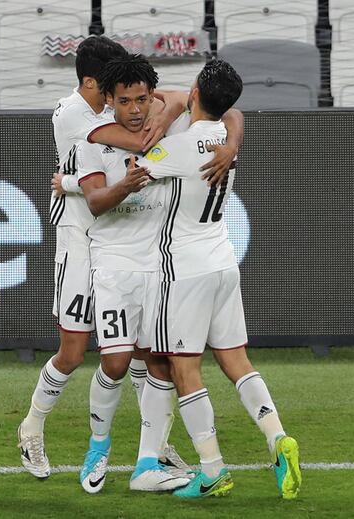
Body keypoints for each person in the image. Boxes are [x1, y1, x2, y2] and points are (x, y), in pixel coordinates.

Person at [17, 36, 204, 480]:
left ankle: (154, 446)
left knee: (139, 349)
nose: (128, 99)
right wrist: (159, 131)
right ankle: (31, 428)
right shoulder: (73, 115)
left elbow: (180, 97)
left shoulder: (118, 103)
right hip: (80, 237)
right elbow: (131, 147)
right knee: (74, 348)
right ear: (91, 82)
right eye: (115, 87)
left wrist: (171, 109)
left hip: (122, 240)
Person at [74, 54, 242, 493]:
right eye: (124, 100)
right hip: (113, 262)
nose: (134, 109)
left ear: (153, 96)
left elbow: (232, 111)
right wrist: (122, 188)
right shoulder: (92, 138)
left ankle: (147, 462)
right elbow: (93, 203)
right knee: (113, 362)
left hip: (162, 265)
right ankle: (98, 446)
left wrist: (230, 145)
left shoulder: (176, 124)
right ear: (108, 100)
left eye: (142, 99)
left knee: (161, 362)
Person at [137, 59, 302, 499]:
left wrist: (72, 181)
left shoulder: (179, 147)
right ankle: (277, 437)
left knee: (184, 368)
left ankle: (211, 470)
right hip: (223, 261)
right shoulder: (226, 141)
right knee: (237, 361)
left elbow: (129, 175)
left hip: (184, 269)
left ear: (194, 89)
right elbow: (231, 115)